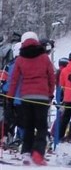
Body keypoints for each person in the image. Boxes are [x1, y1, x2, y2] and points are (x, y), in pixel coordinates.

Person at [7, 32, 55, 166]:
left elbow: (14, 80)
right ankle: (38, 153)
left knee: (28, 126)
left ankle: (26, 153)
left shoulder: (20, 59)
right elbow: (52, 77)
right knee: (41, 126)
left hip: (26, 97)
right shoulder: (45, 57)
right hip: (42, 96)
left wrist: (10, 97)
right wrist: (50, 94)